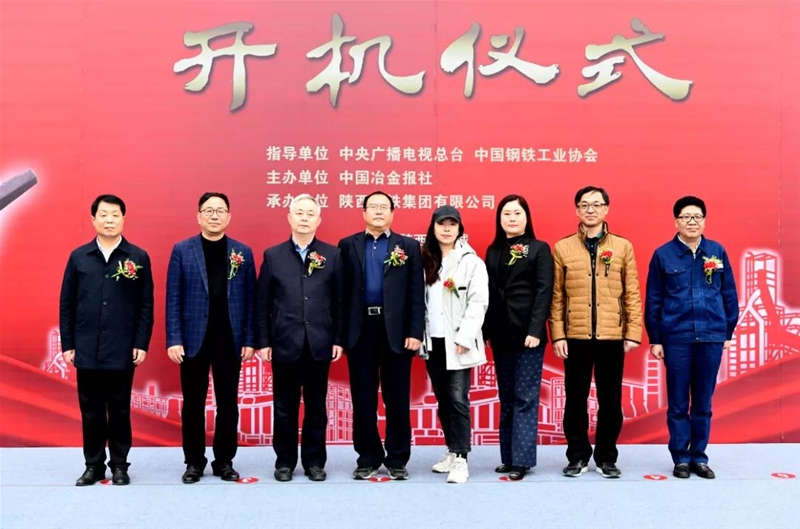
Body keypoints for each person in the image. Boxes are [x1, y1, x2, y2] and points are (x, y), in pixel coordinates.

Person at [59, 194, 154, 486]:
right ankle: (93, 465)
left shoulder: (137, 257)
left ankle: (120, 466)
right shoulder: (79, 257)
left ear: (123, 219)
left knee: (120, 409)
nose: (109, 220)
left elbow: (146, 305)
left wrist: (141, 343)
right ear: (93, 220)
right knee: (91, 411)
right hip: (86, 347)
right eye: (104, 214)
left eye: (115, 214)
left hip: (122, 348)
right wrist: (68, 344)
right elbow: (67, 303)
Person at [549, 186, 643, 479]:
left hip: (611, 336)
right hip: (575, 336)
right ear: (577, 210)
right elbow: (556, 296)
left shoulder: (622, 247)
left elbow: (632, 292)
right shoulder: (563, 247)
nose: (590, 209)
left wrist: (633, 332)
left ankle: (606, 457)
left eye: (596, 204)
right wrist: (558, 334)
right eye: (584, 204)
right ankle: (577, 456)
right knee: (575, 400)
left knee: (610, 401)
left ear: (606, 209)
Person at [645, 196, 739, 479]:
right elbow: (654, 299)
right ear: (676, 221)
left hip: (711, 337)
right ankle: (681, 458)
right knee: (677, 403)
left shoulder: (716, 251)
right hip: (677, 338)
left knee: (703, 403)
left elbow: (729, 293)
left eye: (697, 216)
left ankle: (699, 456)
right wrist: (656, 338)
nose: (692, 222)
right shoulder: (663, 255)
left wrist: (727, 331)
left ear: (704, 221)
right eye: (686, 217)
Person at [165, 192, 256, 484]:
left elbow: (251, 300)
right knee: (193, 403)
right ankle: (194, 461)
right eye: (208, 210)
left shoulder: (242, 252)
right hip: (193, 338)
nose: (214, 215)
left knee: (228, 403)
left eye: (220, 210)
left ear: (229, 216)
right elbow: (173, 297)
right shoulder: (183, 250)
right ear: (199, 216)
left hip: (230, 338)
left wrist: (250, 339)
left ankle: (224, 461)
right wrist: (174, 339)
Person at [256, 194, 344, 483]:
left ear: (318, 220)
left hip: (320, 342)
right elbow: (262, 303)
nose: (304, 218)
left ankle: (315, 462)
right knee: (284, 408)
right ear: (289, 218)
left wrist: (338, 339)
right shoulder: (273, 256)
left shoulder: (333, 255)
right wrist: (264, 341)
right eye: (299, 213)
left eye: (310, 214)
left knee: (317, 407)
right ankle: (284, 461)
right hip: (284, 342)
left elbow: (341, 301)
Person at [338, 191, 424, 480]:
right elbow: (341, 293)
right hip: (360, 330)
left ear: (392, 213)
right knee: (363, 399)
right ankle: (368, 457)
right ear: (363, 213)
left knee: (397, 398)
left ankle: (398, 458)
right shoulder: (348, 245)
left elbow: (416, 292)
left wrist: (414, 331)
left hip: (396, 332)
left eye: (383, 207)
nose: (378, 211)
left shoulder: (407, 246)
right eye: (372, 207)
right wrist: (341, 335)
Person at [483, 194, 553, 480]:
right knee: (507, 396)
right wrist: (487, 331)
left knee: (525, 397)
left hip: (527, 335)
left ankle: (522, 461)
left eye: (517, 213)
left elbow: (544, 291)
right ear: (499, 219)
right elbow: (488, 292)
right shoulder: (493, 250)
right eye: (506, 214)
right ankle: (508, 457)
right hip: (501, 334)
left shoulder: (539, 249)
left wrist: (535, 330)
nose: (512, 218)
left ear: (526, 217)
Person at [421, 206, 489, 484]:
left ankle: (461, 458)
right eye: (442, 224)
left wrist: (465, 336)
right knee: (443, 398)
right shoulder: (426, 260)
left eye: (452, 224)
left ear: (460, 229)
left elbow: (478, 302)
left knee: (459, 398)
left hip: (459, 342)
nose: (447, 229)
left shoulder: (471, 262)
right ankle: (451, 449)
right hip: (433, 341)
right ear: (433, 228)